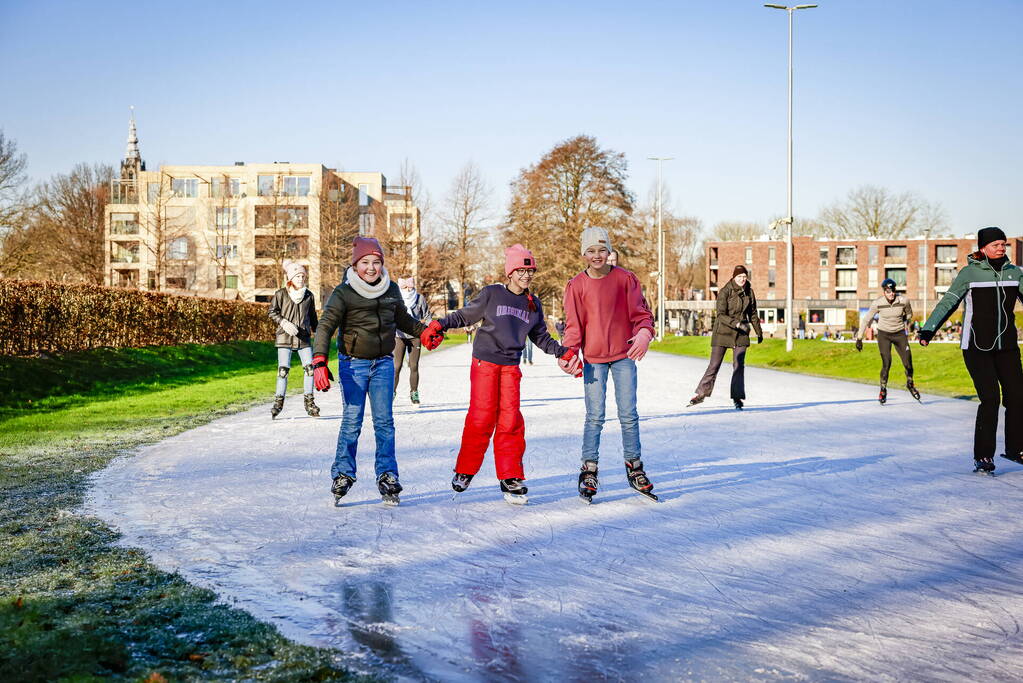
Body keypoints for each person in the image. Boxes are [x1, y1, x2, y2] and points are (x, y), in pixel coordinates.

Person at [419, 244, 579, 504]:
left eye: (530, 271)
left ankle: (510, 476)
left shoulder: (533, 304)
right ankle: (465, 470)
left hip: (511, 366)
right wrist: (440, 323)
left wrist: (562, 352)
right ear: (510, 272)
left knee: (510, 420)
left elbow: (540, 337)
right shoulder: (492, 294)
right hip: (485, 363)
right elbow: (465, 315)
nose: (526, 275)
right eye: (521, 270)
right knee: (481, 418)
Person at [312, 237, 429, 505]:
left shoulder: (391, 290)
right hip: (353, 365)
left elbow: (404, 320)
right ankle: (343, 474)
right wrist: (319, 360)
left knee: (384, 423)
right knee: (352, 422)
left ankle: (387, 475)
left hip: (383, 364)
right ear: (356, 264)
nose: (371, 268)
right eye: (365, 262)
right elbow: (326, 326)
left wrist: (426, 331)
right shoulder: (343, 293)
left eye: (376, 262)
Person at [561, 227, 658, 503]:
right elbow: (573, 327)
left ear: (609, 251)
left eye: (602, 250)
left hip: (624, 355)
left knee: (629, 414)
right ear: (583, 254)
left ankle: (634, 465)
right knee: (595, 416)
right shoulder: (576, 286)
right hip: (593, 359)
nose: (597, 255)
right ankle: (589, 468)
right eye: (591, 251)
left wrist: (644, 333)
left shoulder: (625, 280)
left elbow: (642, 315)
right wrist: (570, 353)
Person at [918, 227, 1023, 474]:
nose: (1001, 248)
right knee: (990, 399)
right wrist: (928, 330)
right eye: (996, 244)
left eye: (1004, 244)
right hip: (977, 346)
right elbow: (949, 301)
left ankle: (1016, 449)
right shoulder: (970, 273)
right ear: (983, 247)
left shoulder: (1014, 273)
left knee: (1018, 397)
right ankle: (983, 456)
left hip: (1007, 345)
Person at [688, 265, 763, 410]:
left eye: (744, 277)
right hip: (723, 332)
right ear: (734, 277)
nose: (742, 279)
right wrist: (737, 324)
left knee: (739, 365)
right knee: (714, 365)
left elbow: (753, 313)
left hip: (741, 333)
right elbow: (721, 315)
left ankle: (737, 397)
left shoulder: (749, 292)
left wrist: (758, 331)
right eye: (739, 277)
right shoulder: (725, 291)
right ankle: (701, 394)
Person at [268, 259, 320, 419]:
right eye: (297, 276)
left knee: (310, 369)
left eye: (303, 276)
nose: (301, 279)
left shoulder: (308, 295)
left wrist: (319, 333)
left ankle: (309, 403)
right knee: (283, 371)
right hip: (285, 337)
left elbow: (312, 317)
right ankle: (278, 403)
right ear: (290, 278)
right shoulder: (281, 294)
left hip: (303, 338)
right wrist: (284, 322)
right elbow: (272, 312)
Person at [854, 278, 919, 404]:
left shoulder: (903, 301)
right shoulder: (877, 303)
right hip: (884, 335)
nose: (891, 294)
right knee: (887, 363)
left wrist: (905, 319)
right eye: (888, 291)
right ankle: (883, 389)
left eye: (893, 290)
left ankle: (910, 383)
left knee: (908, 363)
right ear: (884, 291)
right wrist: (859, 338)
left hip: (899, 334)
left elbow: (910, 314)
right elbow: (866, 319)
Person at [393, 276, 430, 406]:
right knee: (396, 366)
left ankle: (414, 393)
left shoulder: (419, 298)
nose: (408, 289)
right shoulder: (397, 299)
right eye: (405, 287)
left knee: (413, 366)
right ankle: (392, 392)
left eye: (410, 287)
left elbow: (427, 316)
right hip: (399, 336)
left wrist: (429, 330)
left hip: (415, 336)